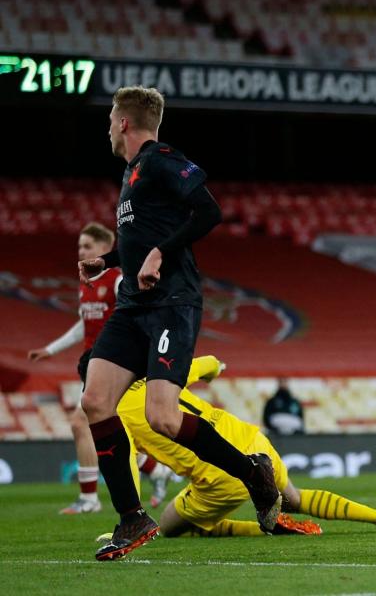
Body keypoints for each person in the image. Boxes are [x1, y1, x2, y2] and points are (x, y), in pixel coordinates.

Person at [79, 86, 279, 561]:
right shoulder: (131, 173)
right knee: (93, 400)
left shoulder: (163, 158)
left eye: (111, 117)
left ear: (124, 122)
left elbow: (209, 210)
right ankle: (132, 516)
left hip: (172, 303)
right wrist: (109, 259)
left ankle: (252, 472)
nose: (108, 125)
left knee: (162, 417)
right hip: (133, 306)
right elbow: (144, 235)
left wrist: (159, 252)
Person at [111, 355, 376, 541]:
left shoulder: (116, 412)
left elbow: (125, 463)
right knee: (295, 498)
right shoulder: (159, 378)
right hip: (250, 439)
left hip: (219, 474)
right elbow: (207, 364)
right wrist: (217, 368)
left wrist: (131, 512)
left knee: (169, 526)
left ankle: (260, 528)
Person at [27, 222, 172, 514]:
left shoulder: (118, 281)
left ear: (106, 250)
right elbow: (86, 323)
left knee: (82, 422)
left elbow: (134, 317)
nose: (81, 251)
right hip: (93, 363)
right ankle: (155, 471)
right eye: (80, 246)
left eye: (88, 246)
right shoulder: (86, 284)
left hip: (115, 363)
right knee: (103, 427)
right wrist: (50, 349)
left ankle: (89, 499)